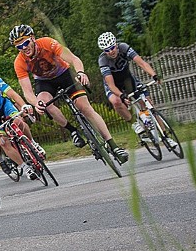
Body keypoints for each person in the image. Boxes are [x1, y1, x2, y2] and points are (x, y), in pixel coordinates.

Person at [9, 24, 129, 163]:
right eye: (19, 46)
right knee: (44, 103)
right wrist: (36, 104)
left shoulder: (47, 43)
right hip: (44, 82)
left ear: (33, 38)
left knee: (85, 108)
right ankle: (72, 130)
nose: (24, 48)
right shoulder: (19, 62)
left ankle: (113, 145)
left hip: (65, 74)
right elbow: (27, 92)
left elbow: (74, 59)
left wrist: (80, 73)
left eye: (26, 42)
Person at [97, 32, 165, 141]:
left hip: (128, 80)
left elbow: (142, 63)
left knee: (148, 103)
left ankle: (165, 134)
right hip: (114, 85)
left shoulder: (124, 48)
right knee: (116, 101)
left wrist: (154, 75)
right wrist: (121, 95)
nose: (111, 51)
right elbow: (111, 85)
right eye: (107, 50)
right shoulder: (103, 60)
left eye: (112, 47)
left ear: (116, 44)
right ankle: (134, 124)